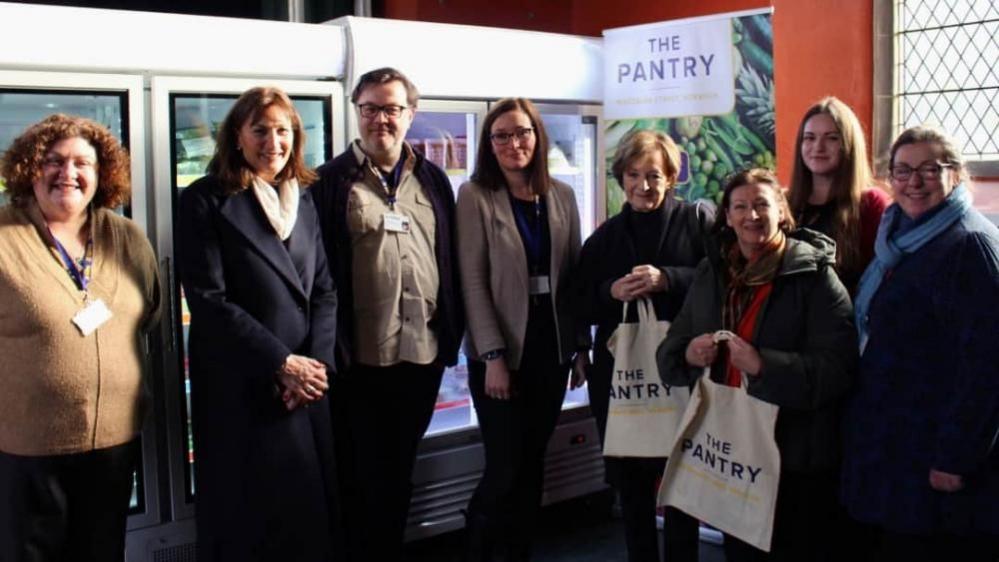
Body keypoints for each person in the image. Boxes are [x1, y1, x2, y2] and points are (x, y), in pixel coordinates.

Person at [657, 168, 857, 561]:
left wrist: (764, 365)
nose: (752, 215)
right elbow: (670, 351)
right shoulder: (711, 273)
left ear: (782, 211)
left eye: (762, 204)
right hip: (732, 449)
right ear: (727, 217)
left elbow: (839, 368)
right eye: (741, 207)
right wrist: (687, 353)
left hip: (792, 456)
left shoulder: (815, 278)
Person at [176, 87, 339, 562]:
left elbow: (325, 289)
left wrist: (316, 367)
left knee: (307, 517)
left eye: (282, 130)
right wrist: (280, 362)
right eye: (260, 130)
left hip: (305, 385)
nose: (273, 141)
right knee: (248, 519)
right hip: (244, 381)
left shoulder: (303, 199)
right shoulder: (205, 199)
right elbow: (208, 298)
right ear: (238, 137)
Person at [311, 67, 464, 561]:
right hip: (359, 359)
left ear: (410, 114)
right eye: (370, 108)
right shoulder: (330, 182)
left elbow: (450, 258)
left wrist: (452, 335)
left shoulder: (434, 179)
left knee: (399, 471)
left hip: (421, 355)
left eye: (392, 109)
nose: (381, 119)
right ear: (356, 113)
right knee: (357, 475)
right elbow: (318, 272)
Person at [0, 114, 160, 562]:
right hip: (26, 448)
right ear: (29, 168)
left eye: (81, 163)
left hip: (113, 442)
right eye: (53, 161)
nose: (67, 173)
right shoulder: (3, 237)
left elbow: (149, 312)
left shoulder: (128, 238)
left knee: (102, 551)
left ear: (101, 173)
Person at [841, 126, 999, 562]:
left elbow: (986, 366)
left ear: (956, 174)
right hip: (892, 443)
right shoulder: (897, 238)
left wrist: (955, 457)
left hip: (932, 453)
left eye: (930, 169)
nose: (914, 182)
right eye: (902, 170)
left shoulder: (969, 245)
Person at [455, 97, 589, 561]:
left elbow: (573, 276)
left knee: (533, 463)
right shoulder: (475, 196)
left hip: (549, 348)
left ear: (538, 136)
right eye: (503, 136)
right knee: (505, 466)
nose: (515, 143)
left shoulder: (562, 196)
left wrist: (580, 347)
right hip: (501, 351)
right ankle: (475, 550)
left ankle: (517, 553)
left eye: (523, 133)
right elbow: (471, 280)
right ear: (489, 145)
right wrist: (492, 356)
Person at [575, 129, 714, 562]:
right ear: (621, 179)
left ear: (672, 177)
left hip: (685, 369)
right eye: (633, 175)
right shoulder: (605, 236)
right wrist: (610, 292)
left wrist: (667, 278)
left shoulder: (697, 222)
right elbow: (578, 299)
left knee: (682, 482)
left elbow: (721, 283)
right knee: (632, 488)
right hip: (621, 378)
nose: (643, 186)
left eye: (654, 175)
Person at [788, 96, 890, 292]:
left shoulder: (871, 204)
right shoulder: (784, 203)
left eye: (832, 138)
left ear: (849, 145)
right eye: (810, 137)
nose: (818, 147)